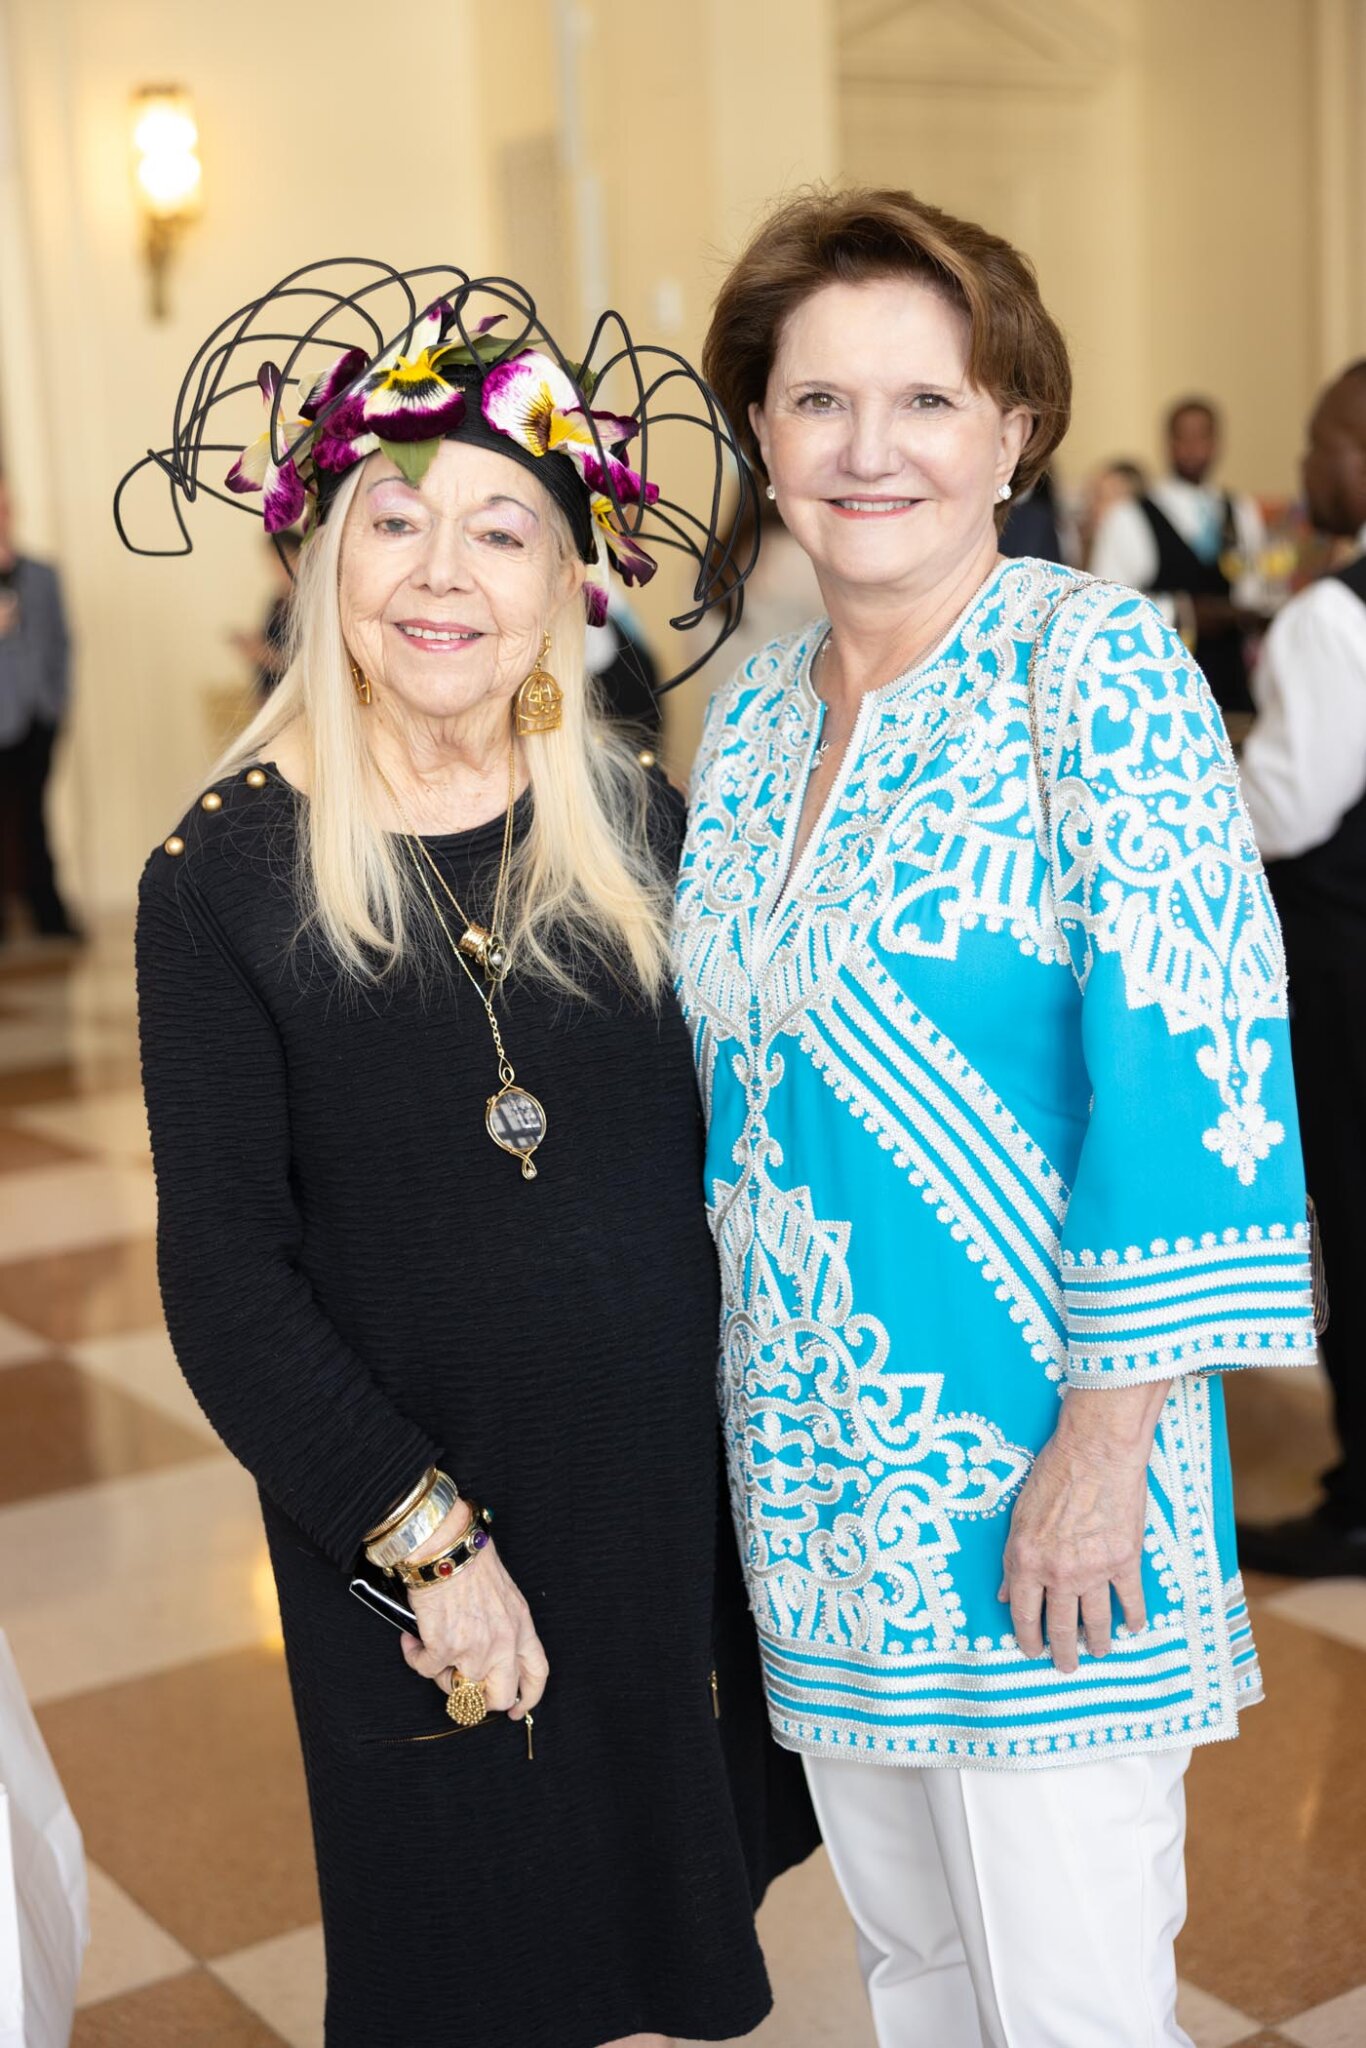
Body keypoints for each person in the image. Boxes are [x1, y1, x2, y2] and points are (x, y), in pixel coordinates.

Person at [124, 263, 816, 2048]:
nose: (445, 572)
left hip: (662, 1515)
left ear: (567, 582)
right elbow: (224, 1274)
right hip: (429, 1526)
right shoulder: (224, 874)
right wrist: (430, 1542)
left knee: (656, 1951)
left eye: (503, 530)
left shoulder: (638, 825)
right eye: (398, 520)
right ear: (323, 561)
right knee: (477, 1961)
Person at [682, 187, 1317, 2047]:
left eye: (927, 401)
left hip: (1045, 1486)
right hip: (815, 1494)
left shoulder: (1092, 666)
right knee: (917, 1975)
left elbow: (1198, 1057)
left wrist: (1103, 1451)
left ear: (1015, 429)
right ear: (760, 437)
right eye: (815, 404)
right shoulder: (753, 728)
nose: (867, 450)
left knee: (1070, 2002)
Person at [1237, 361, 1366, 1578]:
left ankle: (1359, 1494)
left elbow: (1285, 804)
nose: (1308, 466)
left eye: (1323, 440)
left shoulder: (1337, 613)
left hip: (1341, 961)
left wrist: (1204, 776)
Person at [1090, 398, 1268, 719]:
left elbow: (1253, 584)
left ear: (1217, 443)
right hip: (1163, 685)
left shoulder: (1241, 511)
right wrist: (1184, 611)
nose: (1193, 448)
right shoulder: (1130, 516)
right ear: (1168, 442)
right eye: (1184, 437)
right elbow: (1108, 607)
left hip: (1230, 683)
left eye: (1203, 437)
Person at [0, 476, 79, 942]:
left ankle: (49, 916)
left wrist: (58, 699)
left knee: (33, 815)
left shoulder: (42, 574)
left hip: (38, 716)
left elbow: (63, 642)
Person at [228, 529, 302, 697]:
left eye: (279, 560)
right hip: (269, 696)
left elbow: (306, 665)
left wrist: (263, 654)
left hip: (296, 699)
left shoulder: (311, 603)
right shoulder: (276, 600)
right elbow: (269, 641)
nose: (274, 568)